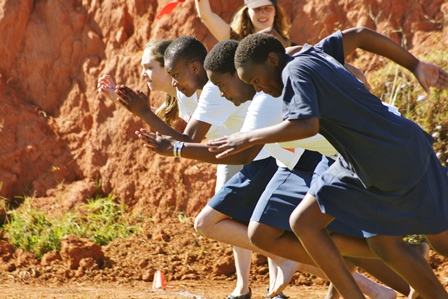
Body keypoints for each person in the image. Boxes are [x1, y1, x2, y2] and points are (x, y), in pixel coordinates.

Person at [136, 39, 426, 299]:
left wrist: (174, 146)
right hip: (302, 160)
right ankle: (392, 275)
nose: (221, 94)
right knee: (270, 233)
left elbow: (244, 152)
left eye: (223, 86)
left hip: (350, 158)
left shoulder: (264, 100)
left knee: (333, 234)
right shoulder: (269, 81)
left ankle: (402, 274)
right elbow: (323, 48)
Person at [206, 27, 448, 298]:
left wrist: (248, 137)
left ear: (273, 60)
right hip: (356, 159)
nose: (258, 88)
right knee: (307, 222)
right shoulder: (309, 53)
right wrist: (413, 65)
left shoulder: (293, 72)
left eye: (256, 80)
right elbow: (359, 35)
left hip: (394, 151)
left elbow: (307, 125)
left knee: (436, 240)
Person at [195, 0, 291, 45]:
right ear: (247, 12)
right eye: (256, 9)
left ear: (275, 12)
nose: (262, 13)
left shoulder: (287, 44)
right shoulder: (234, 38)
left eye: (267, 8)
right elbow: (205, 15)